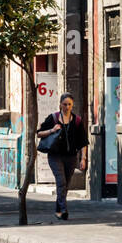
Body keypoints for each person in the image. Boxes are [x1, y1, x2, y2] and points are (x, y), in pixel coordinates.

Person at [35, 93, 88, 221]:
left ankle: (58, 210)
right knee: (61, 182)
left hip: (71, 157)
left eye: (69, 104)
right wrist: (52, 130)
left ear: (72, 105)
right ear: (60, 104)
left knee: (65, 185)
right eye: (65, 104)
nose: (67, 107)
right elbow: (39, 133)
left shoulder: (77, 121)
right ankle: (64, 210)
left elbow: (83, 141)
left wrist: (83, 158)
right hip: (55, 156)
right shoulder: (53, 118)